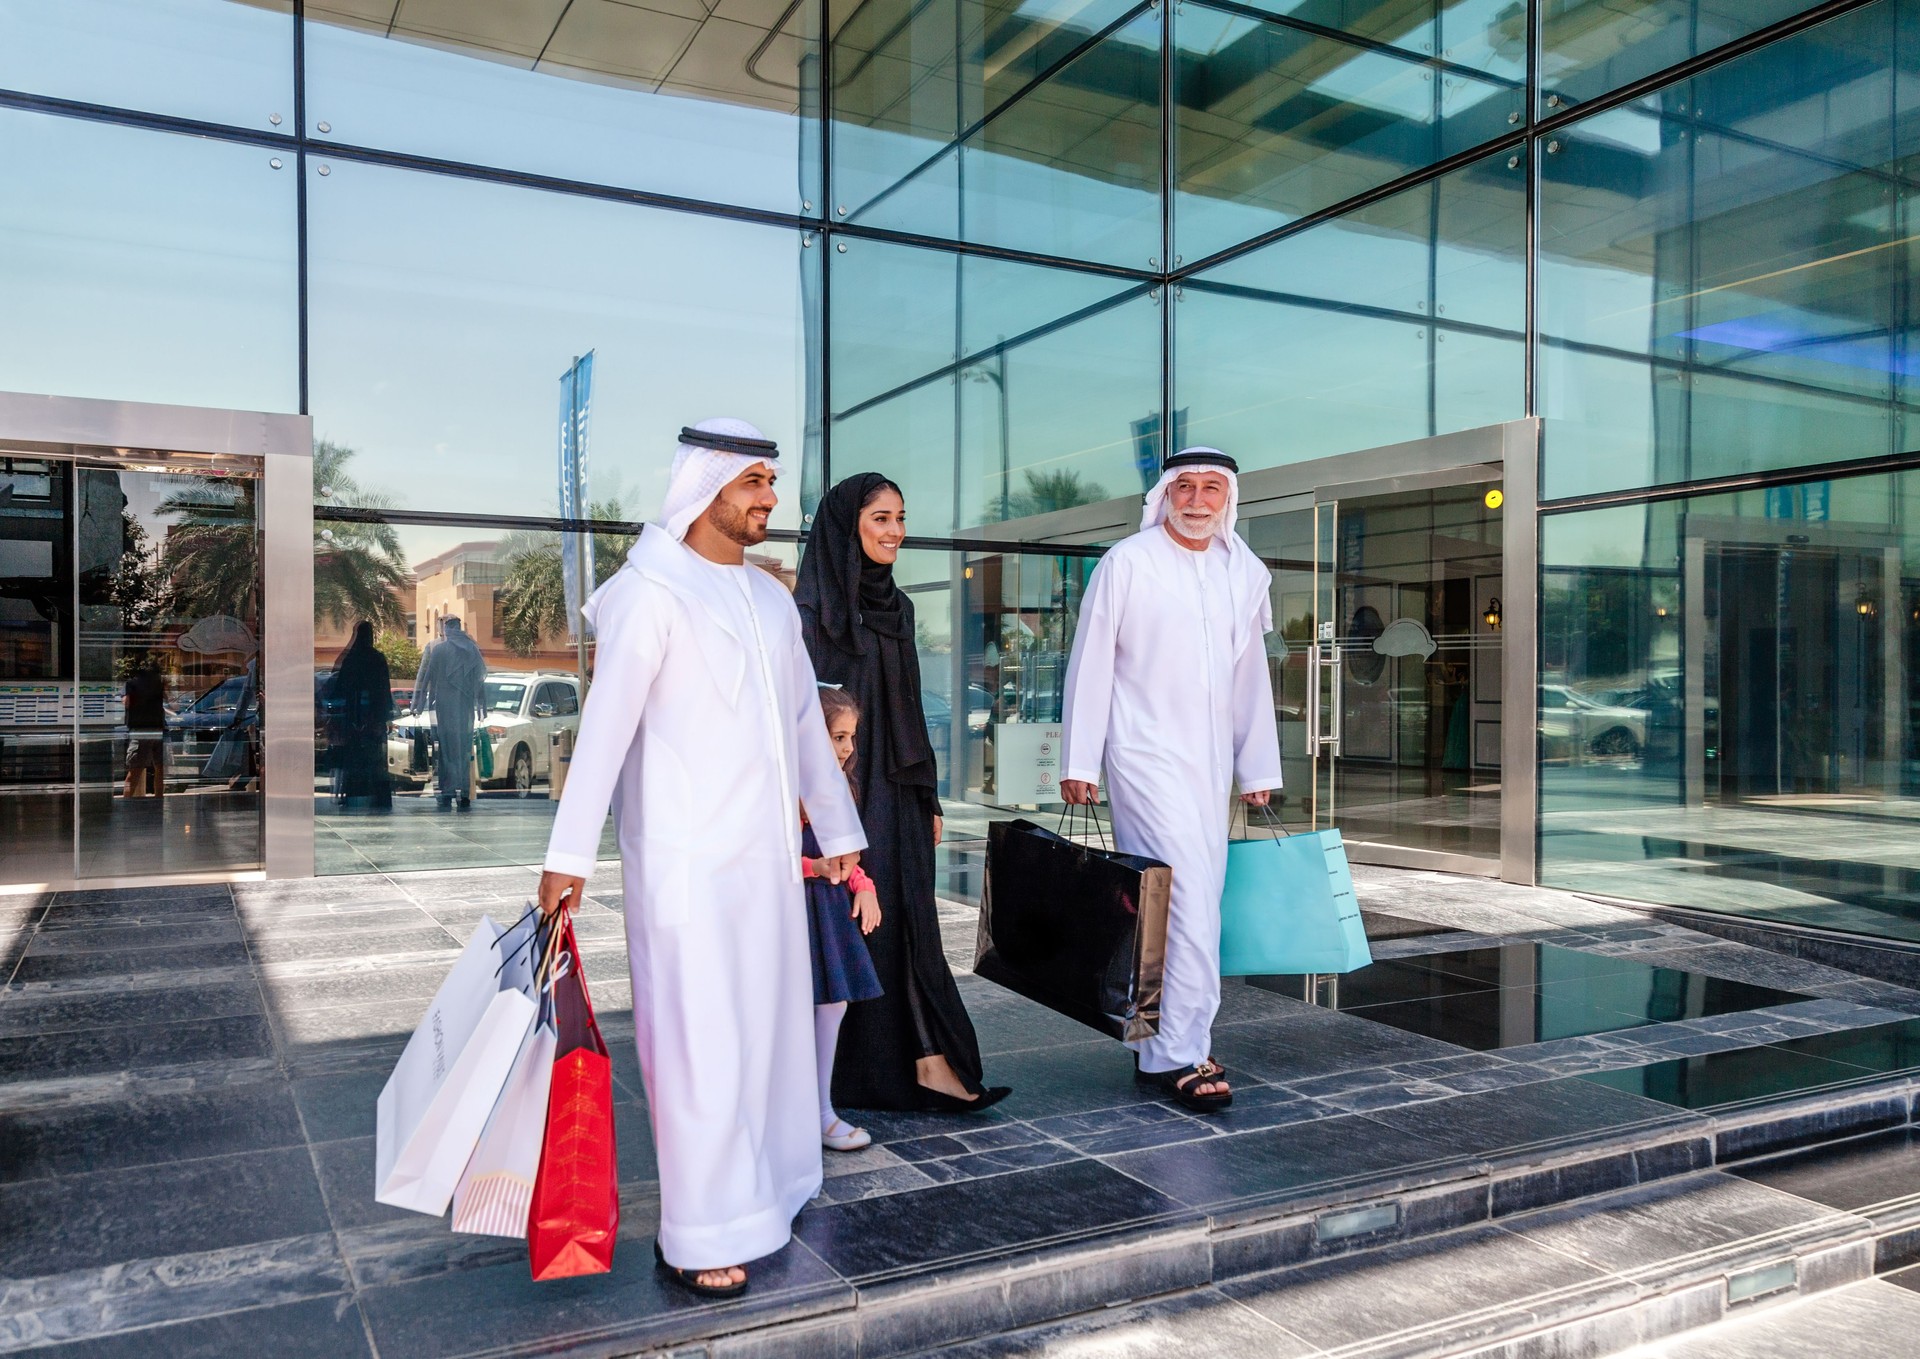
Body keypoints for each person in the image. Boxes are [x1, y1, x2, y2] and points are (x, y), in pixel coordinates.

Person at [535, 419, 865, 1299]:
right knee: (699, 1043)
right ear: (706, 485)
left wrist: (836, 834)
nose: (768, 497)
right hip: (683, 863)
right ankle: (696, 1232)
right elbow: (602, 734)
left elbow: (804, 726)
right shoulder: (650, 594)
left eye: (771, 480)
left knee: (765, 1032)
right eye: (753, 481)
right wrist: (568, 854)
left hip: (763, 865)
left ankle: (769, 1191)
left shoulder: (767, 600)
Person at [1059, 446, 1282, 1114]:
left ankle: (1162, 1046)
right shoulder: (1128, 562)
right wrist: (1080, 758)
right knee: (1182, 898)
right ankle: (1183, 1051)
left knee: (1194, 899)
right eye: (1184, 486)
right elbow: (1091, 659)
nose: (1197, 499)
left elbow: (1251, 677)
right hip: (1143, 753)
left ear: (1229, 498)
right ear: (1165, 494)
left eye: (1212, 487)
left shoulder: (1244, 571)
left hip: (1209, 762)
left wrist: (1257, 765)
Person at [795, 473, 1007, 1114]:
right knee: (861, 929)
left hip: (901, 792)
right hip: (844, 797)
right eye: (880, 518)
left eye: (900, 517)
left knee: (913, 925)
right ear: (847, 525)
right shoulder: (811, 612)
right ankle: (850, 1075)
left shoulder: (902, 608)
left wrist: (931, 796)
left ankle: (929, 1061)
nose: (894, 531)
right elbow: (805, 721)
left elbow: (910, 707)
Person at [804, 685, 884, 1153]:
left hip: (827, 910)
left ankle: (820, 1112)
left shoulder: (841, 789)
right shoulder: (784, 790)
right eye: (837, 737)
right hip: (793, 909)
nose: (848, 748)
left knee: (833, 1004)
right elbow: (764, 858)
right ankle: (798, 1114)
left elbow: (847, 859)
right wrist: (813, 868)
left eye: (850, 737)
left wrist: (864, 886)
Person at [413, 616, 484, 810]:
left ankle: (448, 791)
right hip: (462, 708)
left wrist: (418, 703)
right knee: (460, 749)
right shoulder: (471, 649)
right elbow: (480, 681)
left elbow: (426, 677)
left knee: (446, 750)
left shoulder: (443, 649)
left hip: (445, 706)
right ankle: (460, 790)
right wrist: (481, 705)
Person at [329, 621, 393, 811]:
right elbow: (383, 691)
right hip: (373, 719)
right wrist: (381, 717)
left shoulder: (350, 659)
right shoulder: (377, 658)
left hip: (353, 718)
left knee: (354, 758)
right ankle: (378, 797)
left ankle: (354, 793)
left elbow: (339, 687)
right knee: (375, 759)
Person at [122, 658, 168, 799]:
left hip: (140, 729)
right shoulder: (158, 683)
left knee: (135, 771)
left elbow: (127, 703)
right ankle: (158, 800)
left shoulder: (132, 683)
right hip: (158, 728)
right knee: (160, 769)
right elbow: (169, 701)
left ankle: (126, 803)